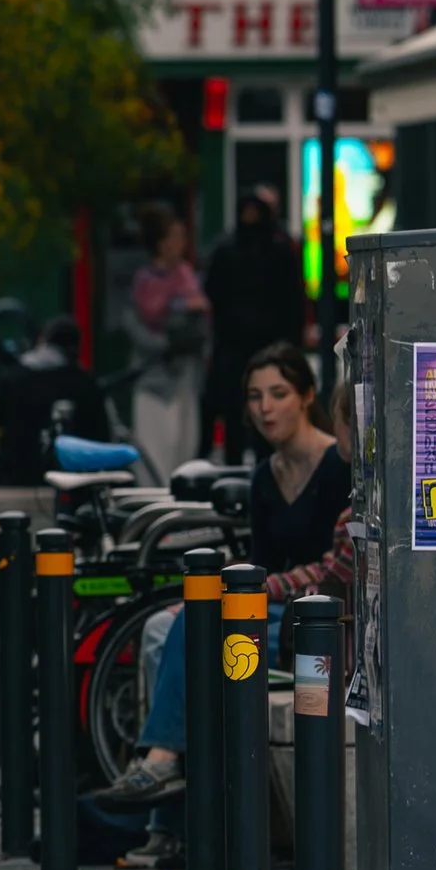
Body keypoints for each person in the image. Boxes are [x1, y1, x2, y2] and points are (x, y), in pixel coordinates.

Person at [109, 341, 351, 805]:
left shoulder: (338, 465)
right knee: (167, 626)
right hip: (272, 607)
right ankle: (174, 800)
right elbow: (259, 560)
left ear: (305, 396)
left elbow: (332, 566)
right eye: (255, 396)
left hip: (314, 621)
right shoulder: (264, 475)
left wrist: (250, 590)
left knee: (197, 626)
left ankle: (163, 764)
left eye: (278, 393)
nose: (265, 408)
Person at [203, 186, 308, 454]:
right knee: (235, 415)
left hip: (268, 348)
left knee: (268, 412)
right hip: (234, 350)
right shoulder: (226, 251)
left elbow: (292, 299)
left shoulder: (280, 250)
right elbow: (215, 295)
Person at [0, 313, 113, 488]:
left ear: (42, 340)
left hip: (15, 481)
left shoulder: (13, 378)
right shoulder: (85, 385)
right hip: (69, 486)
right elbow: (102, 442)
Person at [125, 206, 209, 483]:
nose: (180, 244)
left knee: (182, 455)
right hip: (153, 381)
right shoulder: (143, 281)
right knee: (153, 458)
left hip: (184, 379)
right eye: (174, 237)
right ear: (160, 243)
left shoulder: (187, 276)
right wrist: (164, 343)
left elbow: (202, 319)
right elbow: (136, 326)